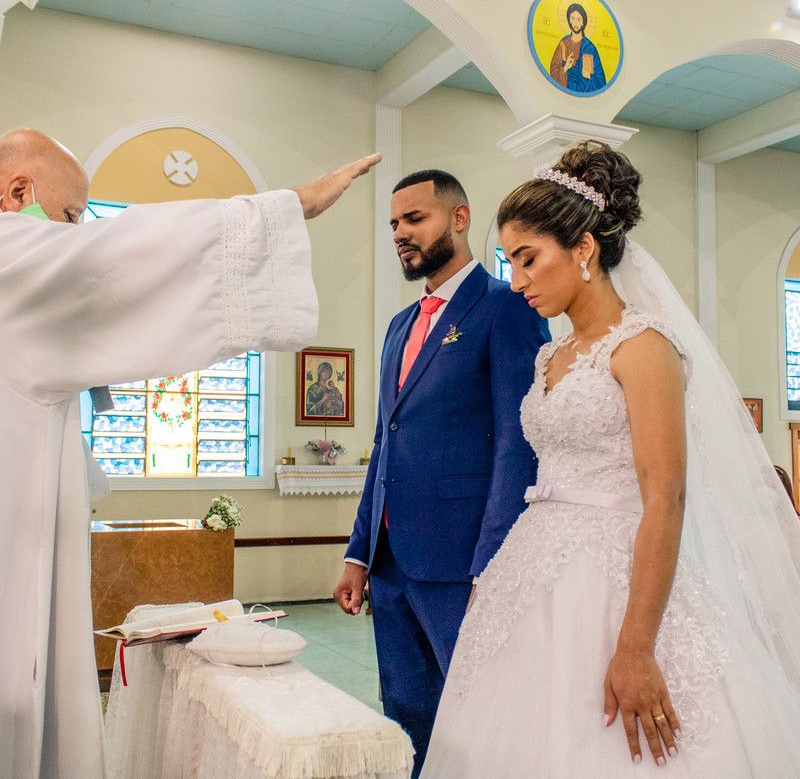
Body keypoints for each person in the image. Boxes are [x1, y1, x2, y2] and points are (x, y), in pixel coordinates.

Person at [0, 128, 380, 779]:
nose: (75, 232)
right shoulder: (12, 252)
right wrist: (293, 206)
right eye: (69, 217)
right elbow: (119, 259)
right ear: (19, 192)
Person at [421, 142, 800, 777]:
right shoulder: (552, 356)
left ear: (584, 249)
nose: (516, 280)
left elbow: (666, 498)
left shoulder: (644, 348)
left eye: (527, 258)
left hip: (619, 577)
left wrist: (635, 646)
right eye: (509, 261)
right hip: (533, 570)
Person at [333, 169, 550, 777]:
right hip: (393, 561)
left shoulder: (507, 308)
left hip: (461, 560)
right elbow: (385, 444)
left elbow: (519, 441)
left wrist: (493, 560)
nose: (401, 234)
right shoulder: (400, 326)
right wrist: (358, 552)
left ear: (459, 218)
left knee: (477, 706)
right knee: (405, 707)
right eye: (395, 224)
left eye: (415, 219)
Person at [548, 2, 607, 93]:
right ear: (569, 20)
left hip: (583, 89)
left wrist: (589, 76)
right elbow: (553, 72)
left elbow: (600, 80)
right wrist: (565, 67)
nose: (576, 23)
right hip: (564, 91)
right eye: (573, 19)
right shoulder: (563, 44)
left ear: (583, 23)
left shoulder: (589, 48)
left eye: (579, 20)